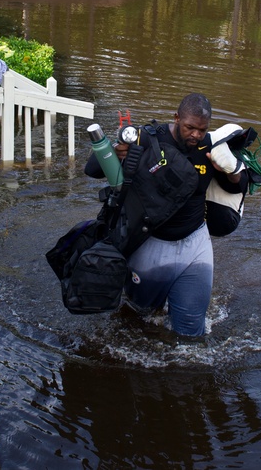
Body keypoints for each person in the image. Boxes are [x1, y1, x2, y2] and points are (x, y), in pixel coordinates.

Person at [83, 93, 246, 338]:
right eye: (190, 127)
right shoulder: (147, 137)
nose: (195, 135)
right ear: (177, 118)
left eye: (202, 130)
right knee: (141, 318)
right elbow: (92, 169)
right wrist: (116, 151)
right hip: (149, 244)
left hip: (195, 244)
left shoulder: (210, 146)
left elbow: (237, 186)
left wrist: (231, 169)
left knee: (191, 331)